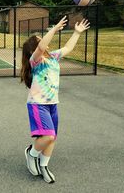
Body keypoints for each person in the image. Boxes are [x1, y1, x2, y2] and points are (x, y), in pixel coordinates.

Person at [20, 16, 90, 183]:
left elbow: (67, 47)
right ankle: (31, 153)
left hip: (52, 104)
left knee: (53, 137)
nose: (44, 42)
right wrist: (54, 28)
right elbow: (42, 45)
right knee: (48, 136)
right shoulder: (35, 60)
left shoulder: (52, 57)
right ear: (34, 48)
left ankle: (44, 166)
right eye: (40, 40)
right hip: (38, 104)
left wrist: (77, 33)